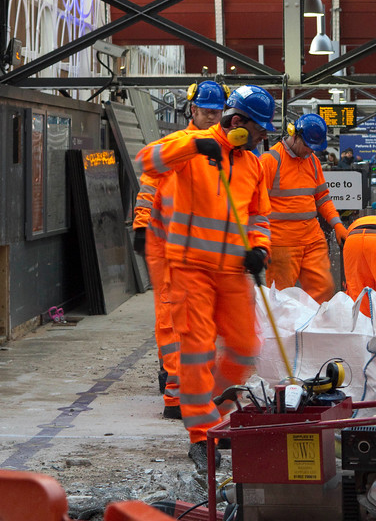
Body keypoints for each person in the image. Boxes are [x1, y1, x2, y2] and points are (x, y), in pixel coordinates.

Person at [137, 84, 274, 473]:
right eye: (259, 128)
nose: (264, 136)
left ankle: (210, 407)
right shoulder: (190, 146)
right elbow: (148, 162)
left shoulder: (253, 164)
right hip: (190, 267)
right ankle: (202, 435)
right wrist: (195, 147)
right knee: (196, 351)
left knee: (246, 348)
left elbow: (258, 217)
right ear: (237, 122)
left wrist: (260, 248)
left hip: (232, 270)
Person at [132, 80, 229, 421]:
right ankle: (175, 396)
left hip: (209, 251)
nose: (211, 118)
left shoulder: (224, 150)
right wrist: (142, 225)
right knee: (173, 323)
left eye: (217, 113)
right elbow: (150, 182)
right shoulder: (177, 145)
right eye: (205, 112)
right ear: (193, 110)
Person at [259, 114, 348, 304]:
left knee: (323, 290)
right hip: (281, 242)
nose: (310, 152)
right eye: (308, 146)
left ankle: (314, 331)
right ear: (295, 136)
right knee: (280, 300)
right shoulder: (270, 160)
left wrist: (337, 225)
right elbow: (256, 205)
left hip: (311, 238)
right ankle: (284, 334)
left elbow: (322, 198)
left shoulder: (312, 161)